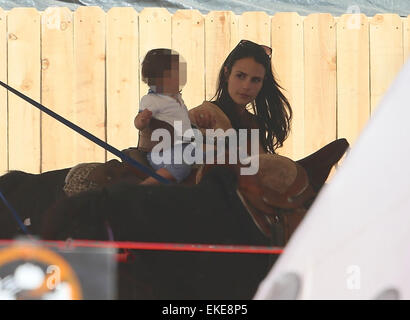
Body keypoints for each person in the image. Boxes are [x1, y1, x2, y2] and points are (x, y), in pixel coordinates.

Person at [189, 40, 293, 156]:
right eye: (240, 76)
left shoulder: (255, 124)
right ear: (227, 74)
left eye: (255, 80)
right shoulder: (201, 117)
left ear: (263, 83)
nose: (246, 86)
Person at [134, 48, 199, 185]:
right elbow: (139, 122)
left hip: (184, 146)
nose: (181, 78)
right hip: (163, 151)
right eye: (176, 74)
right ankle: (144, 187)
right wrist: (142, 120)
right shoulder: (151, 100)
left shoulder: (177, 98)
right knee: (180, 165)